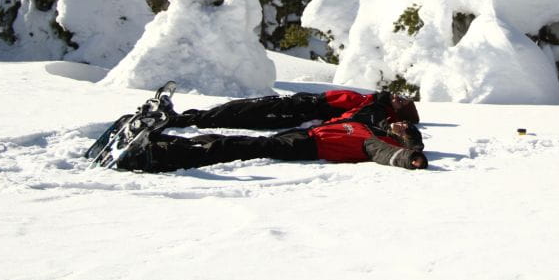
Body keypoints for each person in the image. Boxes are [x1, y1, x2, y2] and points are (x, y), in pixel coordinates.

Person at [116, 119, 428, 173]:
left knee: (239, 148)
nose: (398, 125)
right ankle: (167, 142)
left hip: (305, 149)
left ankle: (157, 157)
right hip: (302, 136)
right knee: (231, 141)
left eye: (404, 129)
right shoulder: (367, 126)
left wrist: (410, 157)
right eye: (400, 123)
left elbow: (388, 155)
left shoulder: (376, 142)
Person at [164, 89, 420, 132]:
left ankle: (180, 121)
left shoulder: (375, 109)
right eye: (401, 97)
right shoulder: (373, 98)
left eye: (402, 102)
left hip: (300, 112)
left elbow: (351, 119)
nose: (398, 97)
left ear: (398, 112)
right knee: (240, 106)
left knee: (243, 114)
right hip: (300, 102)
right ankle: (186, 116)